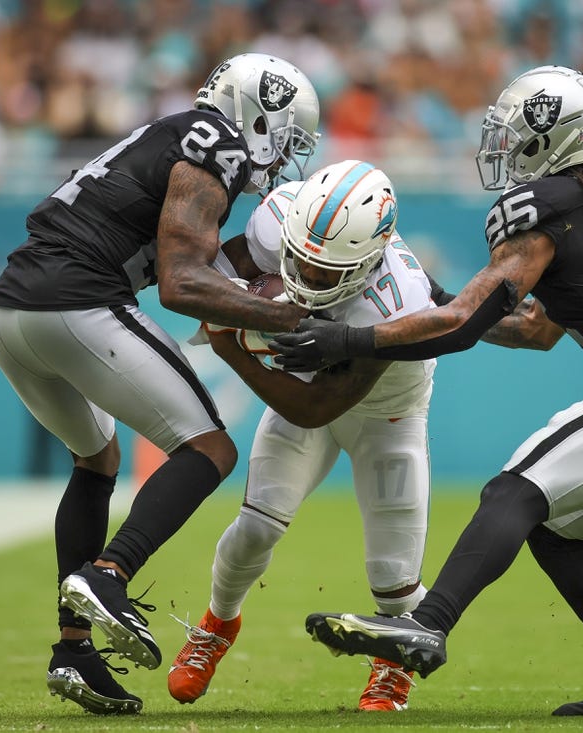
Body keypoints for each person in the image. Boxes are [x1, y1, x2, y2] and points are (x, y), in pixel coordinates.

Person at [274, 66, 583, 716]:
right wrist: (440, 301)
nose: (500, 144)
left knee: (512, 489)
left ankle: (427, 624)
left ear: (547, 139)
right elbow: (534, 331)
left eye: (512, 131)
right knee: (553, 523)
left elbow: (459, 329)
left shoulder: (545, 205)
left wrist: (351, 341)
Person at [0, 53, 320, 715]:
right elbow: (181, 283)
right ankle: (110, 575)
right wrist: (286, 317)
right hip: (73, 299)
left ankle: (74, 650)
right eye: (286, 135)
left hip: (8, 312)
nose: (283, 155)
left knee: (97, 459)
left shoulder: (174, 135)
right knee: (210, 447)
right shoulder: (214, 141)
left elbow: (193, 268)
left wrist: (241, 290)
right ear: (257, 114)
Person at [167, 159, 436, 712]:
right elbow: (208, 270)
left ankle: (392, 668)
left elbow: (317, 408)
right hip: (305, 388)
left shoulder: (398, 299)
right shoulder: (278, 218)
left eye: (326, 273)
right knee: (254, 531)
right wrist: (231, 297)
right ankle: (218, 624)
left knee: (394, 577)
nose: (308, 279)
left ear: (369, 261)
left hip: (385, 417)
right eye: (301, 262)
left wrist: (230, 346)